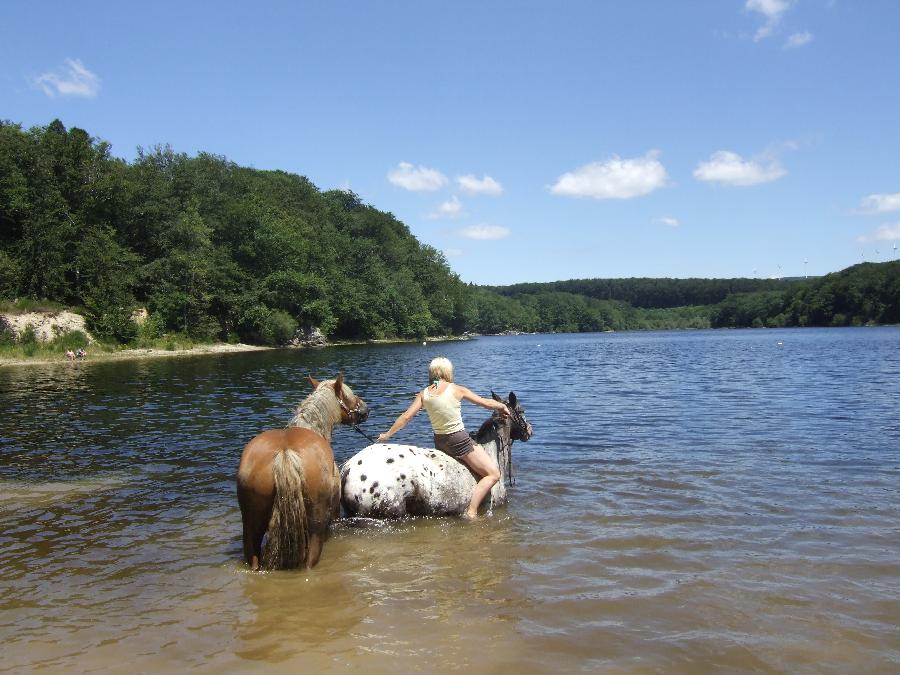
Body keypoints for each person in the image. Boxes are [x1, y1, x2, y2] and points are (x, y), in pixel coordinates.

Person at [377, 356, 510, 520]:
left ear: (432, 373)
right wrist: (501, 405)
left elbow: (405, 417)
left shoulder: (424, 393)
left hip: (440, 442)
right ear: (448, 371)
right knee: (493, 474)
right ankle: (472, 511)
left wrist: (387, 434)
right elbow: (485, 403)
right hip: (459, 441)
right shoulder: (456, 389)